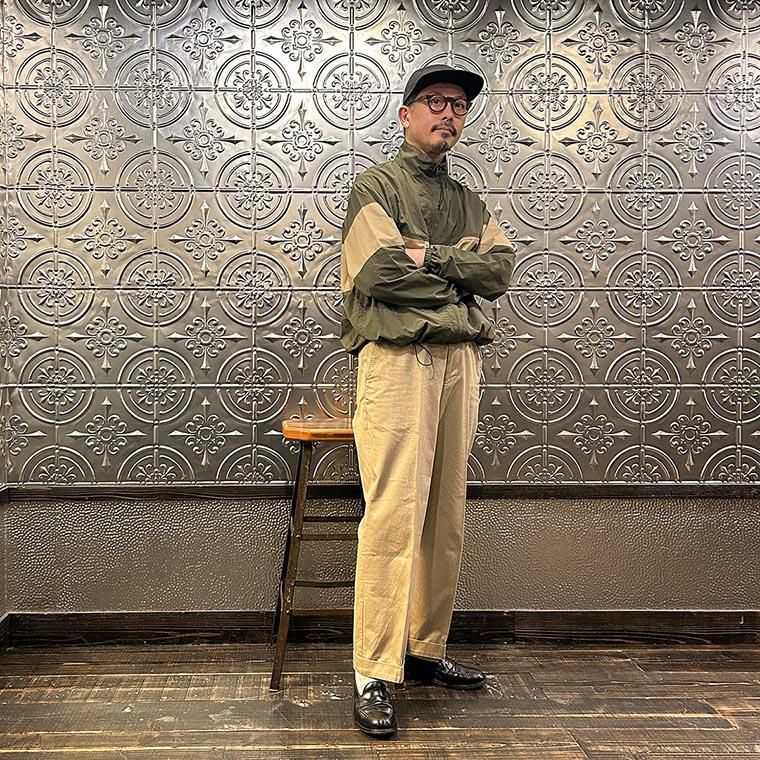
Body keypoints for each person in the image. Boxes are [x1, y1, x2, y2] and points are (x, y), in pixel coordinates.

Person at [339, 63, 516, 738]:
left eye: (459, 105)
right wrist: (455, 274)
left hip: (460, 361)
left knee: (445, 512)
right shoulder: (375, 186)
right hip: (398, 360)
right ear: (407, 113)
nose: (449, 114)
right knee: (393, 514)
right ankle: (373, 672)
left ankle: (423, 649)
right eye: (436, 101)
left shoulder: (469, 199)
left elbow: (498, 271)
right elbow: (378, 272)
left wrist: (431, 256)